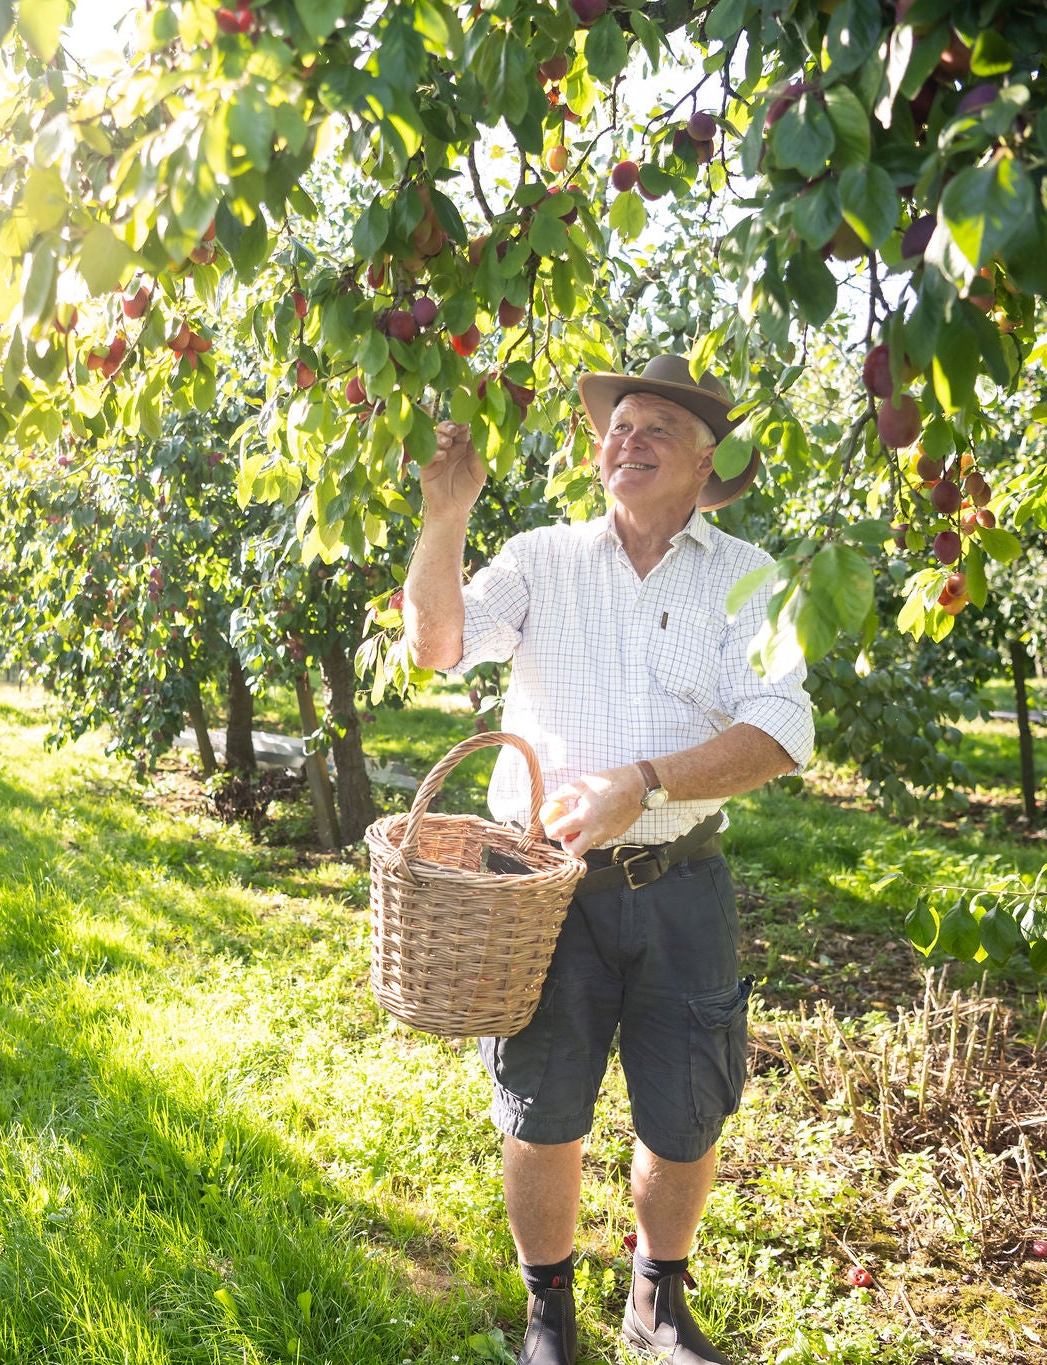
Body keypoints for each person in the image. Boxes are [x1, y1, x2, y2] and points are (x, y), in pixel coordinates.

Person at [400, 355, 815, 1365]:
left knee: (682, 1113)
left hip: (678, 884)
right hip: (542, 892)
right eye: (615, 426)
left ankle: (654, 1301)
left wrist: (644, 782)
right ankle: (548, 1310)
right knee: (542, 1107)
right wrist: (444, 514)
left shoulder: (748, 577)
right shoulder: (542, 557)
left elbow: (780, 728)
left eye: (653, 430)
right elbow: (436, 643)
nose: (623, 441)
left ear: (704, 460)